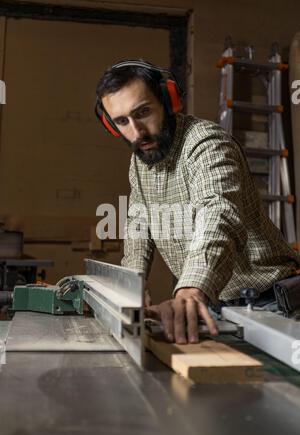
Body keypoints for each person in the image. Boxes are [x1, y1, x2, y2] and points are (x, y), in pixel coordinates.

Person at [95, 59, 300, 344]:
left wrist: (191, 289)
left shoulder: (206, 144)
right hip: (217, 306)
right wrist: (132, 285)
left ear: (168, 101)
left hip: (270, 304)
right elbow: (138, 225)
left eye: (143, 112)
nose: (136, 132)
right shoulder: (140, 160)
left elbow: (218, 214)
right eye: (122, 122)